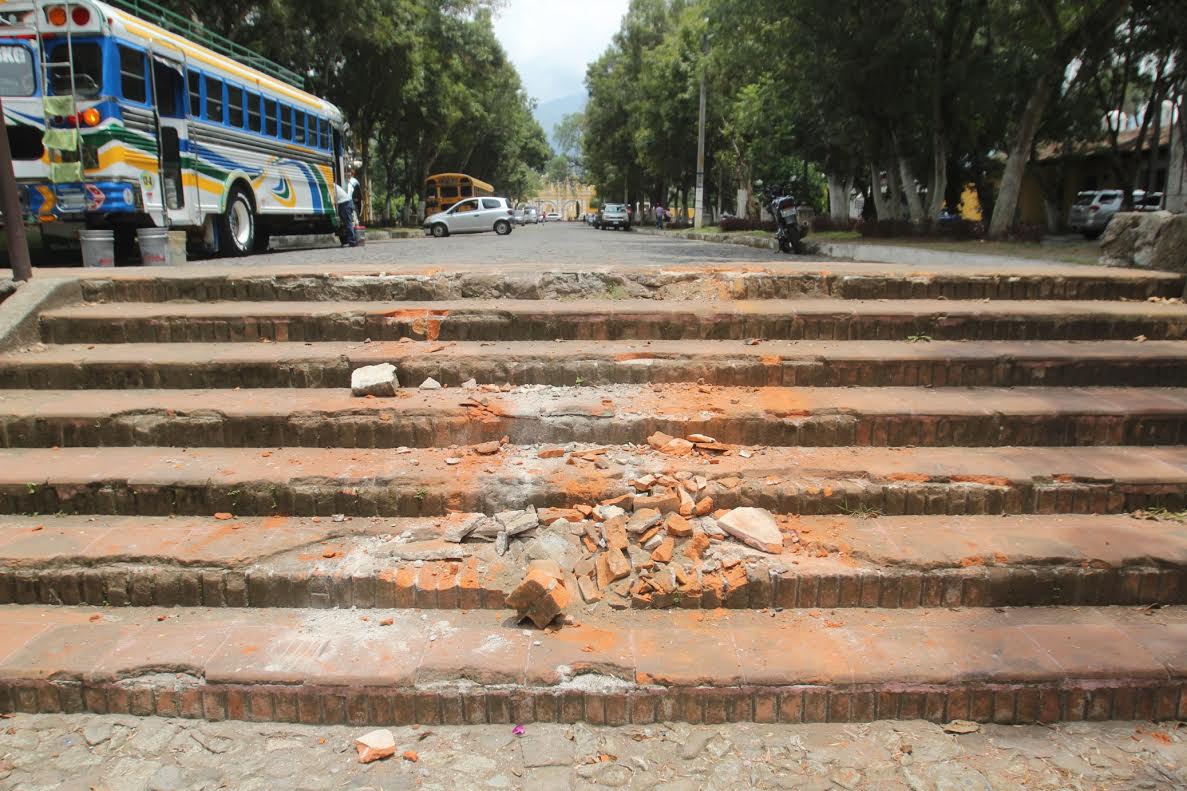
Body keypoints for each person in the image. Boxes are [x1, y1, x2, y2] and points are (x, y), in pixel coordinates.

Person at [335, 176, 357, 247]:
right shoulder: (334, 185)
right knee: (345, 223)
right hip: (345, 203)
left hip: (345, 204)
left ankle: (352, 242)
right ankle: (347, 241)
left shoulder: (331, 187)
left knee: (348, 223)